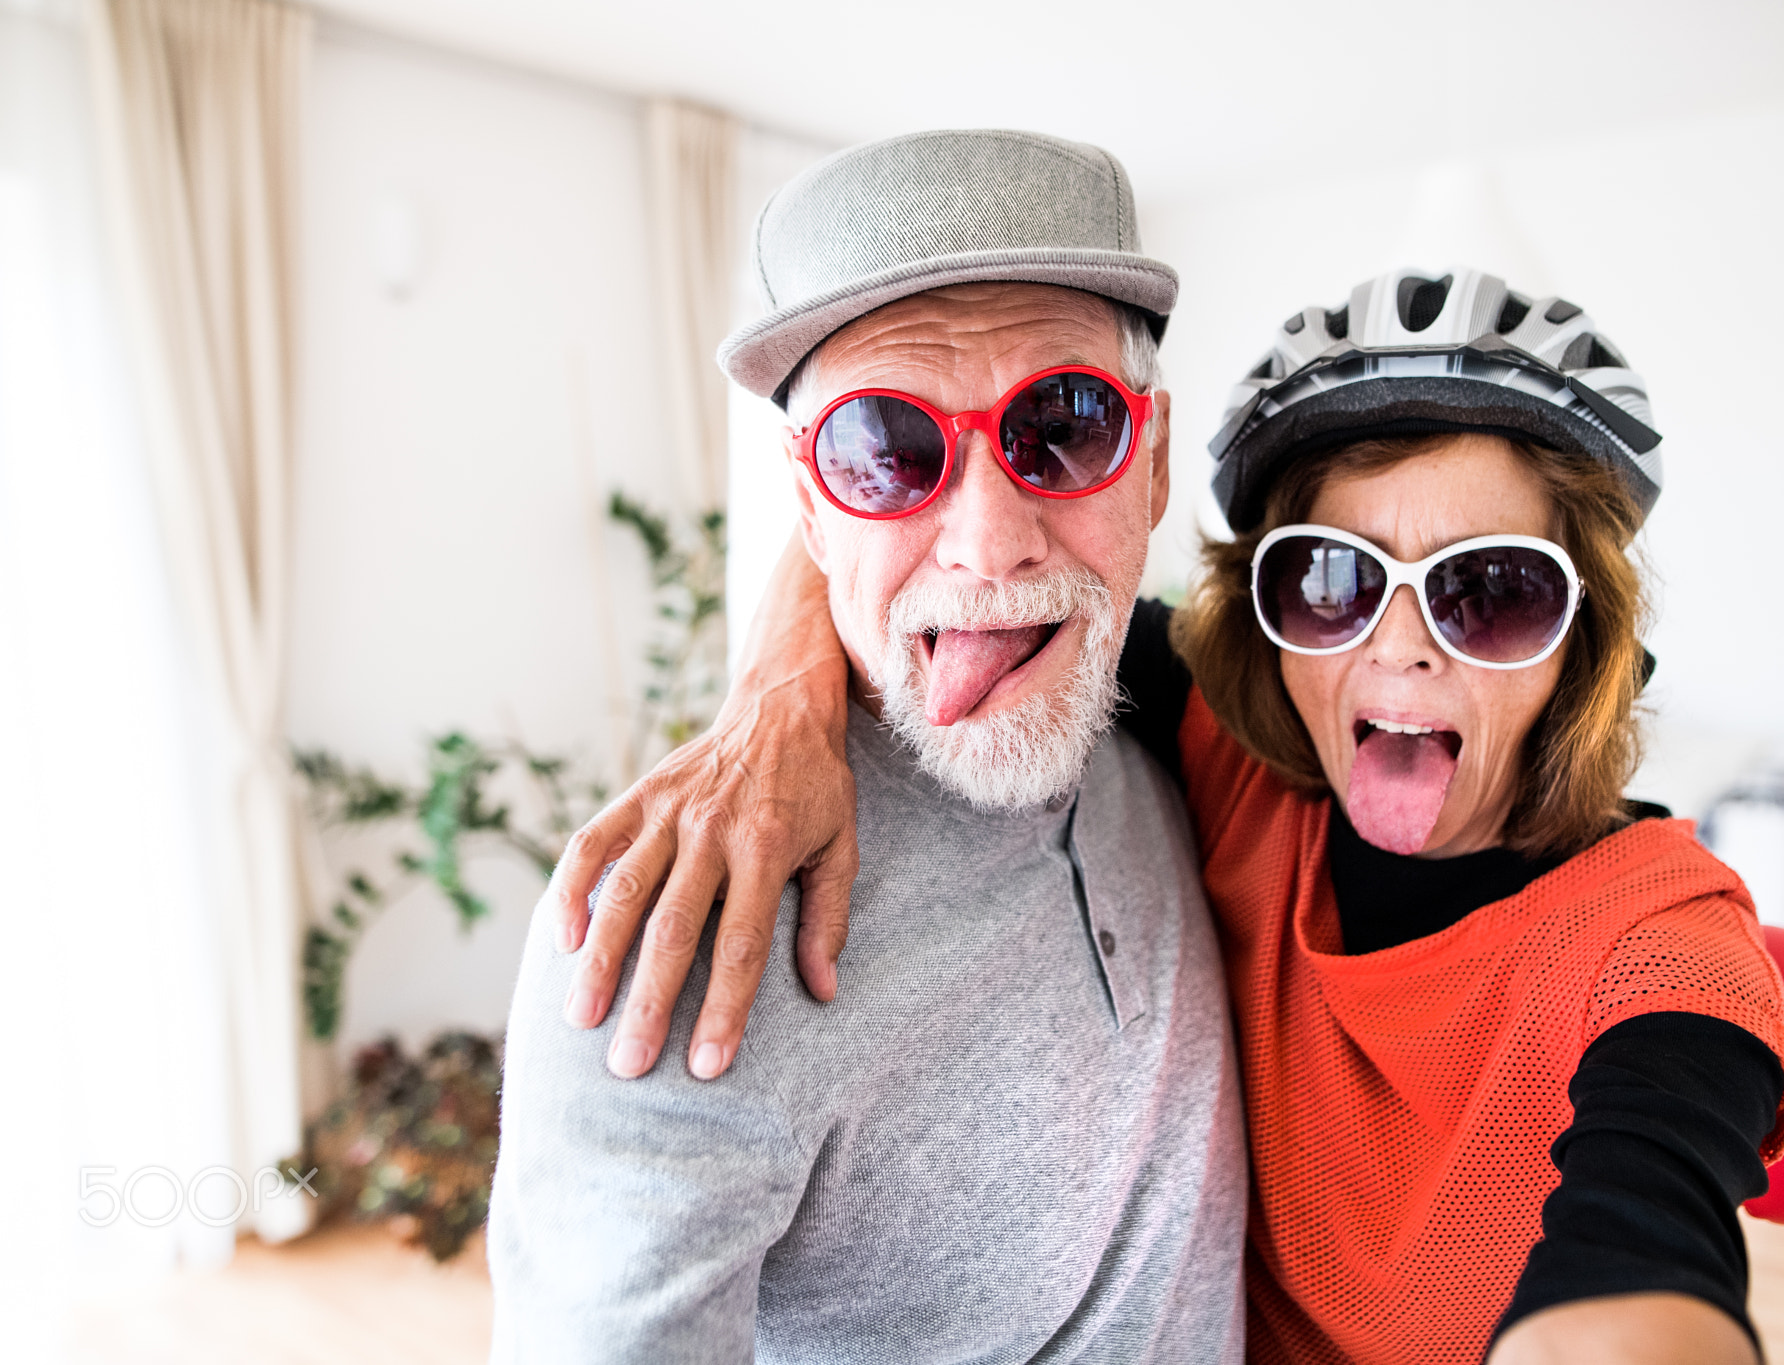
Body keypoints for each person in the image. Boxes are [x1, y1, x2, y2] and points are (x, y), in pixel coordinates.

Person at [550, 265, 1784, 1365]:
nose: (1401, 649)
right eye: (1330, 580)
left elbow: (1648, 1241)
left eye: (1490, 589)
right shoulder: (1235, 764)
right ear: (1263, 624)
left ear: (1582, 641)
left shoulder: (1661, 939)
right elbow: (921, 534)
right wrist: (777, 703)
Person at [487, 130, 1249, 1362]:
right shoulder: (675, 930)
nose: (989, 543)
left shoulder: (1180, 714)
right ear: (809, 503)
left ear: (1152, 462)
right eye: (884, 452)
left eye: (1061, 427)